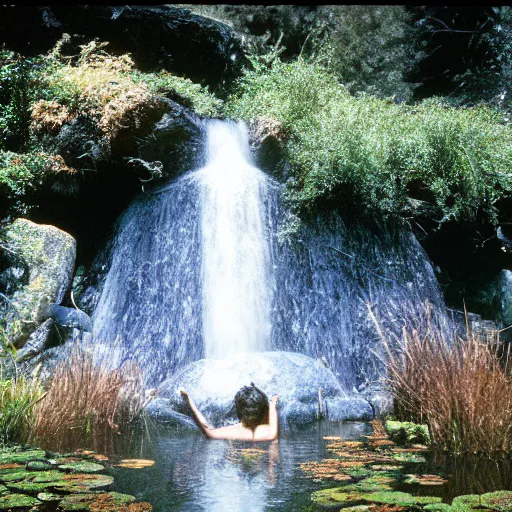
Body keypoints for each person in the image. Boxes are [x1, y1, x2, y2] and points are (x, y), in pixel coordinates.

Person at [180, 382, 279, 441]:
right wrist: (273, 404)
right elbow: (273, 432)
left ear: (239, 410)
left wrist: (189, 401)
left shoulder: (233, 431)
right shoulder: (267, 432)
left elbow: (208, 431)